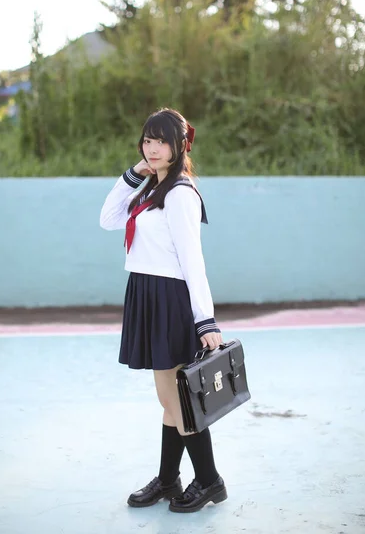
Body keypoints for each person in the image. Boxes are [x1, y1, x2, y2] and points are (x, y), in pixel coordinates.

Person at [99, 107, 227, 513]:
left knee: (176, 397)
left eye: (161, 141)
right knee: (168, 398)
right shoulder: (149, 189)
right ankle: (170, 477)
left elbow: (193, 261)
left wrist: (205, 320)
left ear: (179, 146)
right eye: (147, 140)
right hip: (145, 292)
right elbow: (107, 219)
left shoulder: (181, 194)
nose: (152, 148)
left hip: (170, 298)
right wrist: (135, 173)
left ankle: (209, 480)